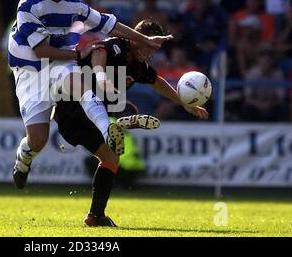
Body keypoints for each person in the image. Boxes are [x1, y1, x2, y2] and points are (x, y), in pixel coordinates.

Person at [9, 0, 172, 193]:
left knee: (78, 82)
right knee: (38, 140)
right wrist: (79, 54)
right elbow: (42, 52)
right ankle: (24, 158)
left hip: (61, 63)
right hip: (31, 70)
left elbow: (111, 24)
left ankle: (108, 130)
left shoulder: (74, 4)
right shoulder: (29, 5)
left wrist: (145, 41)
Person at [53, 19, 208, 226]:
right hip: (71, 106)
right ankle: (120, 120)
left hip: (85, 115)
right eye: (149, 46)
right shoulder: (120, 46)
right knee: (107, 151)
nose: (151, 53)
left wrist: (185, 104)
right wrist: (102, 76)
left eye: (155, 49)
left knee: (110, 159)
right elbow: (99, 50)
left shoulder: (138, 66)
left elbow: (157, 82)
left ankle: (95, 216)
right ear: (137, 40)